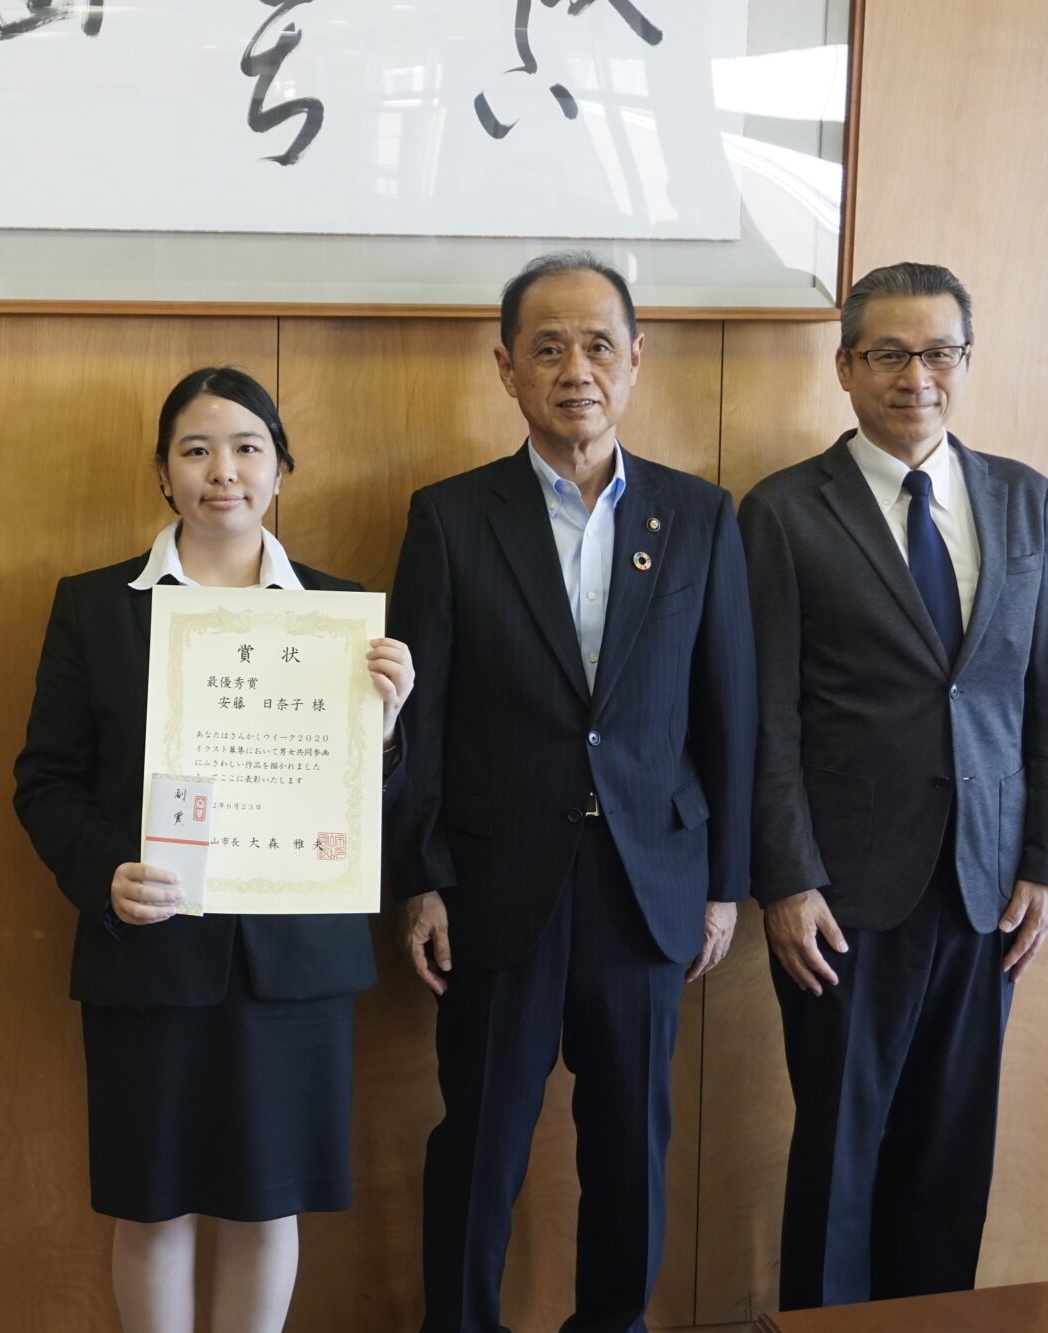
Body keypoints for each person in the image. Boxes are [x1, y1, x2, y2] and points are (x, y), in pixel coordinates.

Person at [388, 252, 755, 1333]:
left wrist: (724, 884)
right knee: (479, 1142)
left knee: (631, 1148)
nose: (574, 370)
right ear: (505, 367)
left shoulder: (699, 516)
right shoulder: (450, 517)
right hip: (496, 885)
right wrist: (419, 878)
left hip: (648, 886)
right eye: (546, 348)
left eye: (597, 345)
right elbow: (417, 719)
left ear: (636, 359)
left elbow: (728, 713)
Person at [13, 366, 414, 1333]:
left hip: (293, 965)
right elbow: (46, 780)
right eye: (196, 450)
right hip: (150, 955)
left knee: (266, 1205)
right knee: (152, 1206)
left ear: (281, 468)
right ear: (163, 472)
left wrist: (389, 729)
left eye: (246, 448)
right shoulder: (96, 606)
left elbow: (376, 810)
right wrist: (105, 874)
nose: (222, 471)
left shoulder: (340, 616)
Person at [739, 261, 1048, 1309]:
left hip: (987, 889)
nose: (915, 376)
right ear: (845, 365)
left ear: (965, 361)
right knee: (839, 1153)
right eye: (888, 353)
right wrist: (785, 877)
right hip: (841, 896)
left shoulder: (1023, 500)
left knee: (949, 1154)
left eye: (938, 352)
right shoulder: (783, 511)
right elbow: (764, 715)